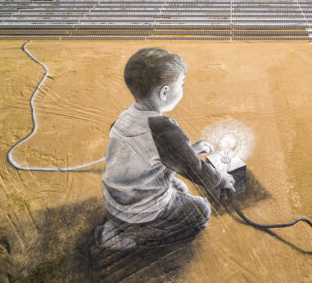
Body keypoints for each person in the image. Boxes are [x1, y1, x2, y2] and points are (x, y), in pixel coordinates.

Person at [95, 47, 235, 251]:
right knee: (201, 211)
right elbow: (194, 169)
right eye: (182, 84)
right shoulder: (163, 128)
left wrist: (190, 149)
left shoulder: (125, 117)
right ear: (164, 92)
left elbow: (149, 152)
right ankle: (136, 237)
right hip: (139, 213)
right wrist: (220, 179)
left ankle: (121, 225)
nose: (184, 88)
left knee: (179, 188)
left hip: (115, 203)